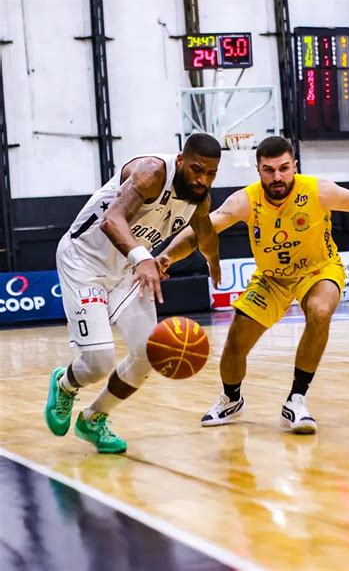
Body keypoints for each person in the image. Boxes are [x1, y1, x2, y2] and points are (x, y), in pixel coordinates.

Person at [156, 136, 349, 434]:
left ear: (294, 165)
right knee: (234, 346)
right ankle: (231, 399)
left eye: (283, 168)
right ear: (258, 170)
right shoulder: (245, 200)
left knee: (320, 311)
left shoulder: (317, 190)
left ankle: (296, 399)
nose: (277, 176)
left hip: (318, 270)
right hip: (271, 279)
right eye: (269, 170)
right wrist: (165, 257)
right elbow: (201, 231)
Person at [45, 133, 222, 453]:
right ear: (181, 161)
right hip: (84, 264)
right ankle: (65, 384)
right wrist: (143, 259)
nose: (203, 179)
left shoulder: (200, 198)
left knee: (147, 354)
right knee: (99, 361)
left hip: (127, 271)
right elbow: (112, 221)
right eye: (197, 169)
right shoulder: (151, 172)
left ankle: (94, 418)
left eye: (211, 173)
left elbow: (205, 234)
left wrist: (213, 263)